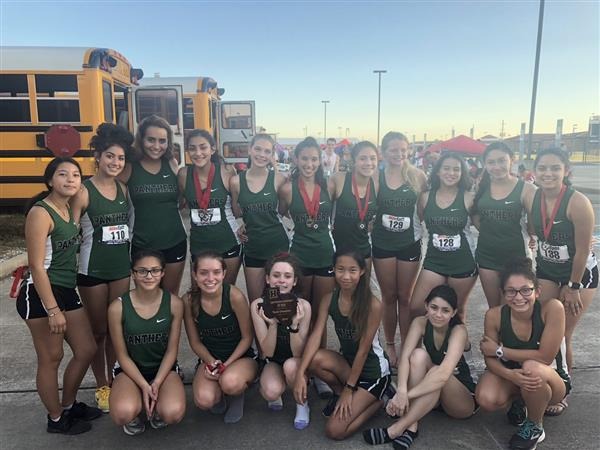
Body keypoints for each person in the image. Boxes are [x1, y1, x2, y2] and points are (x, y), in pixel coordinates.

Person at [16, 157, 101, 434]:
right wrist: (53, 310)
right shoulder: (41, 213)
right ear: (50, 180)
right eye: (62, 174)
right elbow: (37, 266)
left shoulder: (67, 209)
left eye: (76, 175)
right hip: (40, 292)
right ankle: (55, 418)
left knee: (87, 348)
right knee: (51, 357)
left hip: (66, 289)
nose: (70, 179)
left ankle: (68, 403)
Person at [293, 250, 391, 441]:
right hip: (348, 365)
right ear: (333, 270)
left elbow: (363, 351)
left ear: (362, 271)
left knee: (335, 431)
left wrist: (349, 390)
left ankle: (377, 401)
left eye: (352, 270)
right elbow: (316, 335)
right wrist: (300, 373)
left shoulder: (373, 304)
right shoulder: (329, 299)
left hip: (372, 372)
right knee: (314, 358)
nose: (346, 276)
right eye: (340, 269)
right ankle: (341, 394)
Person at [363, 285, 476, 449]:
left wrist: (405, 396)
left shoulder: (459, 331)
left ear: (453, 312)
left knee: (437, 372)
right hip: (434, 393)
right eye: (434, 307)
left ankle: (396, 429)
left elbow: (444, 374)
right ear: (426, 306)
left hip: (462, 400)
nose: (438, 314)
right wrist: (400, 389)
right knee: (417, 356)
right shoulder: (420, 323)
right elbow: (405, 358)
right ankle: (412, 426)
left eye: (445, 310)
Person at [70, 123, 134, 413]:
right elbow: (70, 231)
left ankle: (115, 376)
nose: (115, 163)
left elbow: (127, 226)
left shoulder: (122, 188)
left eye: (120, 158)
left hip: (120, 267)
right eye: (110, 156)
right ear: (98, 156)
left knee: (115, 327)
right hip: (92, 270)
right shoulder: (83, 191)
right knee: (98, 331)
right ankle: (101, 383)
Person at [528, 147, 597, 415]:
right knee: (544, 329)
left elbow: (581, 251)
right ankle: (546, 377)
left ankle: (563, 388)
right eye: (543, 168)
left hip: (578, 275)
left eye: (555, 168)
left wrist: (574, 286)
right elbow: (533, 227)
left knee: (563, 334)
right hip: (547, 270)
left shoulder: (577, 202)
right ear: (534, 171)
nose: (548, 173)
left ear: (566, 171)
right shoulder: (534, 197)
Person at [476, 257, 570, 450]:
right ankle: (522, 402)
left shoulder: (551, 309)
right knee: (486, 398)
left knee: (531, 367)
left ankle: (535, 425)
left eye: (526, 290)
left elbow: (545, 357)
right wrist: (510, 375)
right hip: (515, 376)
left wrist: (500, 350)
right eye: (511, 291)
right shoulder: (494, 315)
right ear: (503, 293)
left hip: (552, 379)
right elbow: (489, 358)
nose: (518, 297)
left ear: (537, 291)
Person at [107, 250, 185, 435]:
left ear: (163, 273)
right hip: (130, 369)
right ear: (133, 273)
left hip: (163, 369)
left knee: (172, 413)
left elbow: (171, 351)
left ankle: (158, 405)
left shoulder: (174, 303)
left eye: (155, 270)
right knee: (122, 413)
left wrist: (156, 383)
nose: (149, 276)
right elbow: (122, 355)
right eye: (142, 271)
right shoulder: (117, 307)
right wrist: (144, 385)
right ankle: (135, 406)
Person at [372, 132, 427, 367]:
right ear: (383, 152)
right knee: (388, 296)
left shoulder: (418, 176)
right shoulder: (375, 176)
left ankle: (407, 345)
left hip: (409, 242)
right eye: (394, 150)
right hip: (382, 243)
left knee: (405, 297)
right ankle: (390, 346)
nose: (399, 154)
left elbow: (425, 210)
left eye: (403, 150)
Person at [183, 251, 258, 424]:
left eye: (216, 272)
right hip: (211, 360)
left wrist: (226, 365)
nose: (210, 278)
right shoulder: (188, 301)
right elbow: (195, 342)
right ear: (194, 275)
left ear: (224, 273)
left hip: (240, 358)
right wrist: (211, 363)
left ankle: (237, 393)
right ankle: (220, 392)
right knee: (204, 400)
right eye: (203, 273)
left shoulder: (234, 296)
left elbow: (247, 338)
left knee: (230, 382)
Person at [119, 115, 187, 295]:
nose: (157, 146)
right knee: (147, 294)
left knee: (170, 295)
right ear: (141, 139)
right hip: (142, 244)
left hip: (175, 241)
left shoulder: (171, 163)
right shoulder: (129, 166)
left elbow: (182, 199)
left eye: (162, 141)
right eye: (151, 140)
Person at [409, 152, 477, 324]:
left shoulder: (469, 197)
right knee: (416, 307)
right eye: (446, 168)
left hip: (463, 262)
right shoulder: (425, 197)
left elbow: (485, 228)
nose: (451, 173)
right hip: (435, 261)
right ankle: (418, 350)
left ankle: (463, 349)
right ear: (438, 171)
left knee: (456, 312)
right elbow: (416, 224)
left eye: (456, 169)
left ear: (462, 173)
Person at [250, 254, 312, 429]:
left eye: (287, 276)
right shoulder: (258, 306)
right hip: (274, 360)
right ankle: (277, 385)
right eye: (276, 275)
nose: (281, 281)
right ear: (268, 279)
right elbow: (267, 351)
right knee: (270, 392)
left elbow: (298, 352)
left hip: (294, 360)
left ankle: (302, 404)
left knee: (291, 366)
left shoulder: (303, 307)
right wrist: (273, 324)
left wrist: (293, 324)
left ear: (294, 281)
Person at [471, 142, 537, 308]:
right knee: (495, 308)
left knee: (515, 306)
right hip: (487, 257)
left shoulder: (527, 189)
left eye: (501, 160)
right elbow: (475, 216)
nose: (497, 166)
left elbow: (535, 224)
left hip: (517, 256)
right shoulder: (482, 186)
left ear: (512, 160)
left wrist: (533, 237)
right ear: (484, 164)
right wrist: (491, 231)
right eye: (491, 162)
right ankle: (495, 335)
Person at [278, 137, 336, 321]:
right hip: (299, 255)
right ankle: (301, 350)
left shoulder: (330, 186)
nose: (309, 164)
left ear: (320, 161)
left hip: (325, 255)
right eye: (304, 158)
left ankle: (318, 350)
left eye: (314, 159)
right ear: (295, 159)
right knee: (301, 313)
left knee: (320, 315)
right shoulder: (287, 189)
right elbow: (279, 214)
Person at [230, 134, 290, 302]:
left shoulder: (279, 179)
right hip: (253, 248)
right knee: (257, 303)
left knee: (280, 302)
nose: (262, 155)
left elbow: (285, 211)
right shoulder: (236, 182)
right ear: (250, 150)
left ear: (272, 155)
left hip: (278, 248)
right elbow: (236, 213)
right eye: (258, 149)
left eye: (267, 151)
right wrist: (240, 227)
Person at [178, 129, 241, 284]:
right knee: (198, 295)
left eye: (203, 147)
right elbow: (179, 204)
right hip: (199, 245)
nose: (198, 153)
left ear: (212, 149)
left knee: (225, 294)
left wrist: (246, 224)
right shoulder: (183, 174)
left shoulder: (227, 171)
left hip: (228, 242)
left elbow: (238, 208)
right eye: (192, 148)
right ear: (187, 151)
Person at [330, 141, 379, 267]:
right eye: (363, 158)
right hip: (339, 250)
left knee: (363, 287)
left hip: (364, 250)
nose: (368, 163)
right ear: (354, 160)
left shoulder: (377, 184)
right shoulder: (339, 179)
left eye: (373, 158)